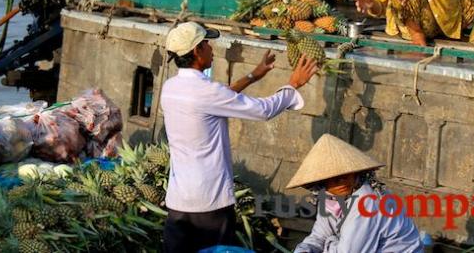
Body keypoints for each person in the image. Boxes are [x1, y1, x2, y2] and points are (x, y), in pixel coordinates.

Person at [161, 21, 318, 252]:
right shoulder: (207, 92)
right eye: (207, 43)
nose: (212, 48)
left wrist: (253, 75)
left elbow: (218, 99)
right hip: (209, 203)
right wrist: (293, 84)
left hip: (179, 202)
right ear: (196, 51)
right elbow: (263, 110)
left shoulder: (170, 88)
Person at [287, 134, 423, 253]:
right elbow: (319, 235)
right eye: (332, 178)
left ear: (356, 173)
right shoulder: (329, 199)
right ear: (322, 182)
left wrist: (331, 242)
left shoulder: (367, 202)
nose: (341, 181)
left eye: (345, 174)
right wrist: (305, 249)